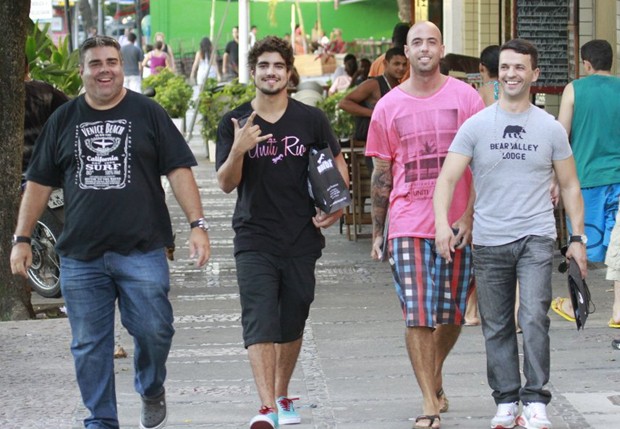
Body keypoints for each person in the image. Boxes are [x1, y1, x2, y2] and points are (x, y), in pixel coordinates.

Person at [10, 35, 211, 429]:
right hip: (80, 256)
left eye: (112, 61)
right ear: (83, 71)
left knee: (155, 330)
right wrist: (21, 238)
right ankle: (101, 419)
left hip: (143, 249)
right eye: (96, 63)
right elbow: (38, 183)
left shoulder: (148, 113)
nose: (105, 69)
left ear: (122, 66)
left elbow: (179, 170)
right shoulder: (63, 119)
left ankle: (151, 386)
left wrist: (198, 225)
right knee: (89, 346)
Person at [433, 38, 587, 429]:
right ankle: (505, 401)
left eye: (519, 67)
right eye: (505, 67)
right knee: (496, 323)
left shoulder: (550, 127)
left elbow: (569, 185)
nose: (511, 74)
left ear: (534, 74)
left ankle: (535, 400)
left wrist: (577, 239)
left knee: (534, 317)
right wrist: (441, 225)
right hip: (488, 241)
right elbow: (447, 178)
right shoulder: (477, 125)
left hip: (535, 238)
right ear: (497, 73)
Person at [215, 36, 348, 429]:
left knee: (293, 317)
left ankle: (282, 393)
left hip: (301, 236)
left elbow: (336, 164)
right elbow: (225, 184)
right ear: (253, 72)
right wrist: (239, 148)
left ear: (289, 73)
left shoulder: (311, 119)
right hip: (253, 235)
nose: (270, 72)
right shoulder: (236, 121)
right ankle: (267, 408)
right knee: (259, 319)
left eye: (278, 66)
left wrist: (337, 208)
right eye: (263, 66)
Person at [365, 22, 484, 429]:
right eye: (417, 42)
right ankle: (428, 403)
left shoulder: (466, 98)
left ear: (441, 49)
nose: (424, 48)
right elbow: (382, 172)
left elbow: (483, 164)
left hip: (456, 222)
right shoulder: (388, 106)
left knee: (451, 315)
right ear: (405, 51)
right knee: (417, 313)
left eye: (431, 41)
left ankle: (432, 375)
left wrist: (471, 216)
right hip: (407, 221)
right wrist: (379, 231)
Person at [553, 39, 620, 327]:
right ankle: (618, 310)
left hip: (585, 180)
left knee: (580, 243)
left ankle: (574, 304)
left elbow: (559, 137)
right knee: (618, 246)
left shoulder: (574, 89)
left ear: (586, 64)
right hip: (618, 178)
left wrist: (555, 179)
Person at [464, 44, 501, 327]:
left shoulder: (476, 97)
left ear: (481, 69)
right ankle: (512, 313)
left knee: (478, 241)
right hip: (513, 175)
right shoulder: (520, 94)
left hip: (482, 174)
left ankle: (472, 310)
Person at [339, 47, 407, 173]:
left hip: (396, 149)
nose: (401, 68)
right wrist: (374, 113)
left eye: (404, 64)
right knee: (381, 189)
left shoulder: (400, 87)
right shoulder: (373, 84)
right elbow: (344, 103)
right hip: (377, 149)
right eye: (396, 64)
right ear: (386, 64)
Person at [23, 58, 70, 173]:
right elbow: (74, 118)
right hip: (43, 169)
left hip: (10, 173)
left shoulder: (45, 92)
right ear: (27, 68)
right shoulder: (45, 91)